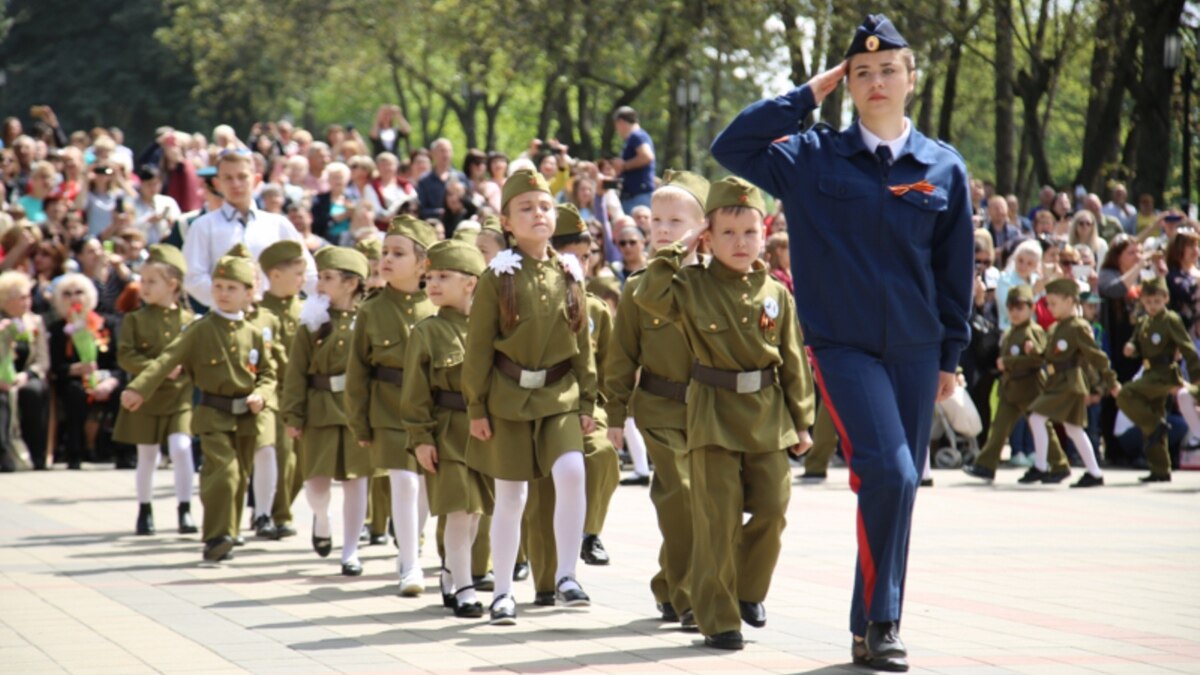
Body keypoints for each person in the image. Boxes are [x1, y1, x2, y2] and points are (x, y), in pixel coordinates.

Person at [710, 15, 974, 670]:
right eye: (862, 72)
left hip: (916, 349)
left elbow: (954, 266)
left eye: (888, 70)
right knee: (891, 469)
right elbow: (731, 146)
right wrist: (808, 94)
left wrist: (950, 355)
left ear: (911, 79)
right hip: (844, 345)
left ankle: (871, 625)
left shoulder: (942, 166)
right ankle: (883, 621)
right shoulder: (812, 154)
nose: (876, 81)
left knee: (900, 485)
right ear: (847, 84)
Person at [632, 177, 814, 650]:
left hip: (767, 415)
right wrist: (677, 252)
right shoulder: (690, 285)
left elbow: (792, 359)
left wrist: (802, 421)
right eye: (727, 233)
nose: (740, 243)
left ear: (764, 233)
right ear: (707, 237)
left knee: (773, 508)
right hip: (712, 412)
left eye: (749, 233)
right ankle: (720, 620)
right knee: (717, 519)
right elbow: (648, 297)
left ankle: (750, 591)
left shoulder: (775, 292)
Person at [462, 169, 596, 625]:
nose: (538, 214)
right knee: (512, 495)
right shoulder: (497, 278)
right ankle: (502, 592)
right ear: (506, 222)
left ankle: (566, 575)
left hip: (560, 394)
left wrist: (587, 403)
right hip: (508, 398)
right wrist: (476, 407)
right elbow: (478, 349)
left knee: (573, 472)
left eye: (544, 206)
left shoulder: (569, 272)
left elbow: (583, 344)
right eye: (526, 208)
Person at [121, 244, 277, 563]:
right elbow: (167, 359)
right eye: (218, 287)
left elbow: (268, 374)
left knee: (239, 475)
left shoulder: (253, 334)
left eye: (231, 288)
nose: (222, 293)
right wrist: (139, 388)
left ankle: (229, 532)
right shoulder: (200, 328)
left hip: (246, 417)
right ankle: (216, 536)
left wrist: (263, 394)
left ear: (249, 293)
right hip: (213, 414)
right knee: (223, 473)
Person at [605, 170, 708, 628]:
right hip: (660, 408)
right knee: (680, 496)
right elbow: (622, 357)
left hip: (712, 410)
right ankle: (688, 598)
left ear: (702, 228)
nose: (663, 230)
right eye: (657, 221)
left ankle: (668, 582)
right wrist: (612, 416)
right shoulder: (639, 285)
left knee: (705, 503)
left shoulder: (718, 283)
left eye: (676, 221)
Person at [521, 204, 619, 607]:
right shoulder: (526, 293)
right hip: (532, 401)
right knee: (540, 494)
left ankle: (588, 532)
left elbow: (609, 368)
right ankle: (546, 581)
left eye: (586, 254)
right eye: (572, 254)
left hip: (583, 405)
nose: (581, 262)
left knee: (600, 455)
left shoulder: (594, 307)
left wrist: (609, 416)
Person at [398, 239, 493, 617]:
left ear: (471, 282)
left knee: (474, 513)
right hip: (446, 431)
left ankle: (453, 574)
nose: (432, 284)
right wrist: (420, 439)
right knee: (458, 509)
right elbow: (414, 394)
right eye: (429, 277)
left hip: (485, 433)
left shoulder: (491, 329)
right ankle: (466, 587)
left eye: (443, 277)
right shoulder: (426, 332)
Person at [345, 215, 438, 595]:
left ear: (422, 264)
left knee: (427, 489)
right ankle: (409, 565)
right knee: (403, 481)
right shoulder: (370, 309)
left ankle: (411, 544)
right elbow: (357, 373)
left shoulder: (437, 306)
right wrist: (359, 424)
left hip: (431, 412)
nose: (386, 259)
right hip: (387, 410)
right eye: (384, 252)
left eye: (398, 253)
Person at [282, 246, 372, 575]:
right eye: (319, 276)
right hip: (319, 407)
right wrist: (293, 414)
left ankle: (350, 551)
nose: (320, 284)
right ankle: (321, 519)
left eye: (328, 277)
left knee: (356, 482)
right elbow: (295, 372)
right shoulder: (312, 318)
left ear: (351, 284)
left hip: (355, 409)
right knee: (316, 485)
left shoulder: (368, 318)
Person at [112, 245, 197, 535]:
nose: (143, 287)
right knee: (147, 455)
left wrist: (184, 367)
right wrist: (157, 368)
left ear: (172, 285)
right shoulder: (135, 319)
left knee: (181, 448)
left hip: (179, 396)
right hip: (145, 396)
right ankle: (144, 510)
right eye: (142, 280)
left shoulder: (189, 321)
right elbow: (126, 355)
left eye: (151, 281)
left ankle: (185, 508)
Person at [182, 150, 316, 309]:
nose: (236, 184)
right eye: (228, 178)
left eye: (242, 177)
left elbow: (306, 270)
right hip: (227, 318)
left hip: (273, 315)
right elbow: (193, 277)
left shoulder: (277, 224)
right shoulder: (204, 226)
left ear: (257, 179)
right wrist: (231, 300)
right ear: (217, 183)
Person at [963, 285, 1071, 483]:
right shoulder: (1011, 331)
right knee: (999, 429)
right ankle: (986, 465)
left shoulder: (1033, 331)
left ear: (1031, 308)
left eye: (1020, 307)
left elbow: (1039, 358)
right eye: (1011, 307)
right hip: (1011, 390)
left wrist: (1010, 362)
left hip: (1030, 389)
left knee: (1042, 428)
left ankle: (1059, 464)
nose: (1014, 312)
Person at [1028, 278, 1120, 488]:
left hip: (1069, 383)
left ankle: (1041, 467)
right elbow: (1048, 354)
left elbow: (1096, 356)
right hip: (1058, 382)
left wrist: (1110, 380)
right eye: (1048, 303)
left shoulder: (1078, 326)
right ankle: (1094, 473)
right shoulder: (1056, 327)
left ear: (1070, 301)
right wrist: (1034, 351)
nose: (1050, 308)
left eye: (1053, 303)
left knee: (1036, 417)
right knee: (1073, 429)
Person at [1117, 276, 1200, 483]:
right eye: (1147, 302)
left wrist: (1197, 376)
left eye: (1156, 301)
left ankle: (1155, 426)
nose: (1152, 306)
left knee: (1126, 394)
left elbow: (1186, 347)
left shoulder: (1170, 319)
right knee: (1152, 415)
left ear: (1166, 298)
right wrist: (1132, 348)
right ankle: (1160, 469)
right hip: (1149, 372)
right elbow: (1136, 341)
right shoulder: (1144, 321)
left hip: (1164, 373)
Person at [253, 241, 308, 539]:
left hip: (305, 393)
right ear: (275, 275)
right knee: (283, 454)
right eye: (297, 273)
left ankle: (273, 507)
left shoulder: (307, 308)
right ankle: (278, 514)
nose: (303, 280)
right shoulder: (261, 312)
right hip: (276, 393)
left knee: (304, 459)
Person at [49, 274, 127, 470]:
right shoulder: (59, 329)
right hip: (74, 380)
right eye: (67, 294)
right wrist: (74, 369)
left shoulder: (107, 324)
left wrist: (109, 381)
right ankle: (74, 453)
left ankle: (124, 452)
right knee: (74, 392)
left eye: (79, 292)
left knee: (122, 392)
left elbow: (120, 363)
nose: (74, 298)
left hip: (106, 378)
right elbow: (56, 367)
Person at [0, 271, 49, 472]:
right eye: (21, 297)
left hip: (25, 375)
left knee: (33, 392)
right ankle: (6, 455)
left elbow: (42, 360)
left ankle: (37, 456)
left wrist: (25, 376)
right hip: (2, 379)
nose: (27, 301)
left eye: (28, 296)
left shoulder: (35, 322)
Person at [612, 107, 657, 213]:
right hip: (636, 195)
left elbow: (647, 156)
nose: (616, 130)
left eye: (616, 126)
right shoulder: (637, 136)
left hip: (638, 196)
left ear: (621, 122)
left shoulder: (637, 136)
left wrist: (624, 165)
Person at [417, 139, 467, 221]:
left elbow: (468, 202)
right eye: (442, 151)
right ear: (433, 153)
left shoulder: (460, 177)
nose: (446, 154)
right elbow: (421, 209)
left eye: (449, 151)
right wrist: (440, 212)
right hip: (434, 224)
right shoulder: (425, 180)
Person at [131, 165, 181, 245]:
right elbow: (128, 228)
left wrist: (171, 223)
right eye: (149, 184)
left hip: (165, 244)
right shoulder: (131, 203)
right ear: (141, 184)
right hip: (140, 246)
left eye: (156, 184)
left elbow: (178, 223)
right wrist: (148, 220)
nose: (153, 188)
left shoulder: (168, 201)